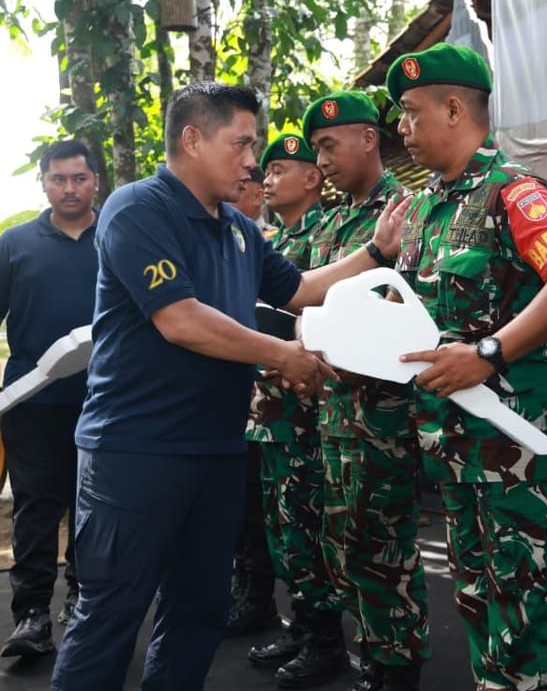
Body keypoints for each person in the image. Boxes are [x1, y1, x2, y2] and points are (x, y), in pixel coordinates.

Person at [48, 82, 408, 691]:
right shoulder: (138, 210)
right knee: (111, 612)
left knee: (199, 609)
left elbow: (299, 289)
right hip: (136, 450)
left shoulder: (238, 230)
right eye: (241, 144)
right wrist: (283, 355)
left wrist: (374, 251)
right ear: (193, 139)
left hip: (215, 450)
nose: (252, 162)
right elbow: (181, 320)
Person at [387, 42, 547, 691]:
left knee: (529, 619)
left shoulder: (515, 192)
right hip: (458, 449)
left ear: (455, 109)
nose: (402, 127)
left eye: (412, 111)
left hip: (521, 449)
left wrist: (489, 353)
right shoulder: (421, 210)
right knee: (481, 607)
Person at [274, 90, 429, 691]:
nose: (322, 161)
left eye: (329, 146)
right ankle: (371, 654)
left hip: (381, 412)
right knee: (343, 545)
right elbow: (303, 301)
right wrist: (302, 337)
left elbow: (402, 309)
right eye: (316, 149)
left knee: (382, 544)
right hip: (330, 413)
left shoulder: (406, 211)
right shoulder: (334, 222)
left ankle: (397, 665)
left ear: (368, 139)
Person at [0, 139, 100, 658]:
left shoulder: (119, 237)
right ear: (43, 183)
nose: (69, 188)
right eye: (58, 179)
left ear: (95, 182)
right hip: (33, 402)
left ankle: (87, 605)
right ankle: (31, 617)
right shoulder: (14, 244)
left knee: (97, 510)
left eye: (79, 178)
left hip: (109, 403)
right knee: (37, 509)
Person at [244, 133, 340, 672]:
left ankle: (325, 640)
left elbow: (326, 312)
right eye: (267, 170)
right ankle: (301, 628)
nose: (268, 179)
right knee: (283, 530)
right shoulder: (269, 241)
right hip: (269, 411)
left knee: (310, 526)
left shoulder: (332, 235)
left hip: (308, 411)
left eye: (280, 169)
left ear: (312, 177)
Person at [225, 162, 282, 639]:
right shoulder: (223, 242)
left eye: (247, 185)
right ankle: (244, 589)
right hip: (241, 401)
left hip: (274, 400)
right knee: (241, 510)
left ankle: (258, 597)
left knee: (261, 509)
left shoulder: (263, 243)